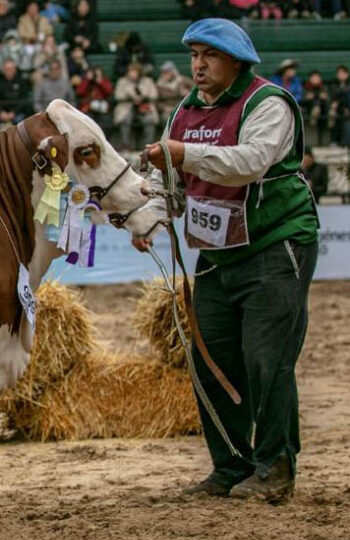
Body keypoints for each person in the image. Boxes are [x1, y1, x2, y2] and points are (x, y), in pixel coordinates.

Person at [138, 18, 319, 503]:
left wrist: (182, 155)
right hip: (217, 257)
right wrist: (152, 217)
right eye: (194, 55)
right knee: (210, 360)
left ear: (236, 60)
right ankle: (231, 467)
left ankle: (275, 468)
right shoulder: (182, 113)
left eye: (209, 55)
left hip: (276, 245)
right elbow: (168, 187)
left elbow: (249, 162)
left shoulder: (269, 103)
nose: (198, 65)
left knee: (266, 359)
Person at [113, 63, 159, 151]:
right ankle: (125, 145)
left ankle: (149, 146)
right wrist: (128, 95)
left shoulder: (147, 81)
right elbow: (117, 95)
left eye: (134, 71)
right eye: (131, 71)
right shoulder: (122, 81)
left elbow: (154, 95)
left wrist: (144, 95)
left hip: (144, 105)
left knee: (149, 119)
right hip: (127, 106)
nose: (132, 74)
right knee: (125, 119)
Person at [0, 58, 31, 128]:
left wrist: (13, 112)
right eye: (6, 69)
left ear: (15, 69)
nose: (8, 71)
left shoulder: (21, 81)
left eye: (10, 69)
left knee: (21, 120)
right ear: (3, 70)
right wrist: (1, 112)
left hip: (17, 113)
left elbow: (23, 100)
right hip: (2, 113)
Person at [75, 66, 113, 131]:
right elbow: (79, 92)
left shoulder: (104, 81)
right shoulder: (86, 82)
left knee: (105, 122)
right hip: (88, 108)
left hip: (101, 108)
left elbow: (109, 92)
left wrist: (100, 82)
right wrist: (87, 80)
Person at [302, 70, 331, 146]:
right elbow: (301, 101)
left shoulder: (324, 87)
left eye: (317, 77)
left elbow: (329, 100)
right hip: (309, 111)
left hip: (324, 112)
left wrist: (325, 98)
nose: (315, 79)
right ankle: (314, 116)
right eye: (313, 77)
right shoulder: (306, 87)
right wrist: (306, 98)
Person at [329, 64, 350, 145]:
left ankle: (345, 142)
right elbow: (331, 99)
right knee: (333, 114)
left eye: (343, 73)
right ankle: (334, 141)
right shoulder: (333, 86)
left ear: (347, 74)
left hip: (347, 109)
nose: (341, 75)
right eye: (339, 73)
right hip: (336, 110)